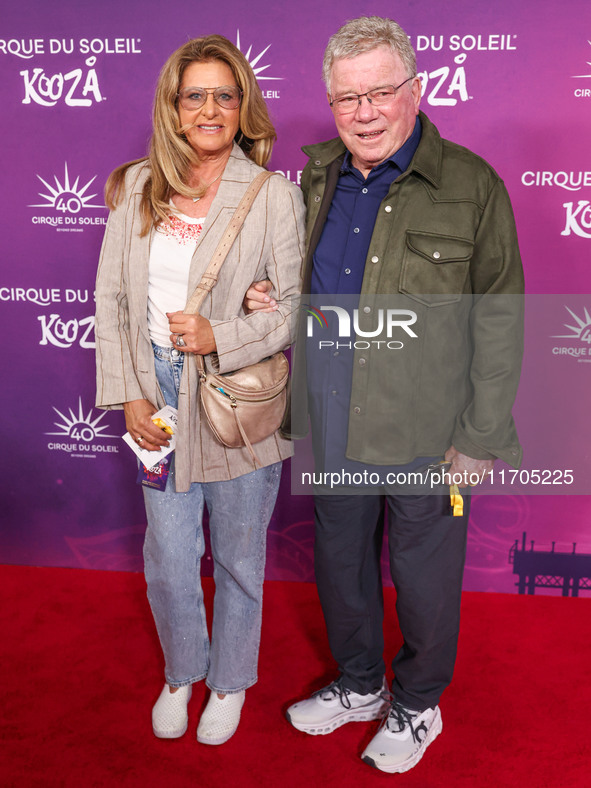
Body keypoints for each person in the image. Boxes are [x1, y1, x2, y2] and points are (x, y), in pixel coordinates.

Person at [245, 16, 523, 774]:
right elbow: (300, 281)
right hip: (332, 417)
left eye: (379, 93)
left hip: (429, 430)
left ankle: (416, 703)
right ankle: (361, 684)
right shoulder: (313, 178)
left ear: (415, 90)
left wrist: (480, 436)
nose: (363, 112)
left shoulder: (470, 183)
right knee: (340, 564)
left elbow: (499, 318)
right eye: (345, 98)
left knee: (425, 578)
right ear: (329, 102)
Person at [94, 35, 304, 746]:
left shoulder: (271, 195)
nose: (210, 108)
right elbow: (113, 302)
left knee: (241, 554)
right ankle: (183, 671)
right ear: (174, 108)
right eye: (195, 95)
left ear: (242, 106)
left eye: (224, 94)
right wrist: (129, 395)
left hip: (236, 397)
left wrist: (223, 336)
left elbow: (292, 308)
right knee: (171, 553)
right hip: (156, 391)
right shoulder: (136, 186)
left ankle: (229, 683)